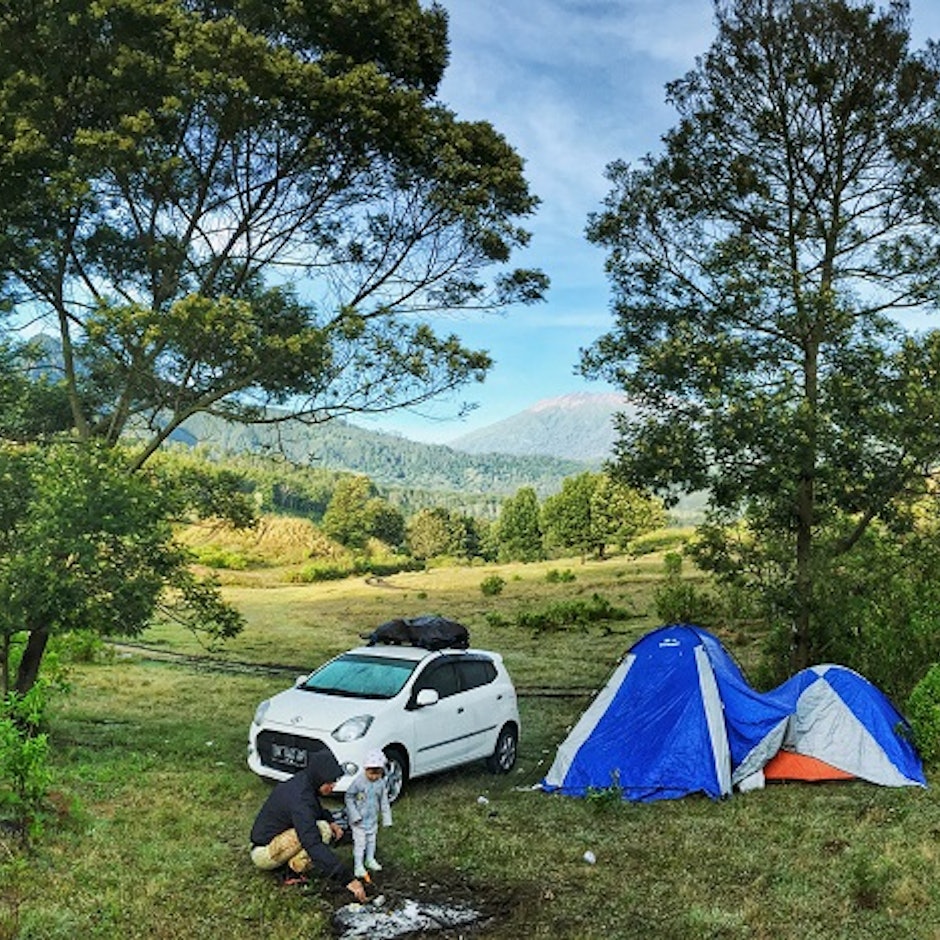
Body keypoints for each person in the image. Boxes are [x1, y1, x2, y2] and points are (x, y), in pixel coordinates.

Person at [249, 751, 367, 902]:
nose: (333, 786)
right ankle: (290, 872)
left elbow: (315, 809)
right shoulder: (300, 800)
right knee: (320, 832)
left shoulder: (303, 783)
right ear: (319, 778)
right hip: (263, 853)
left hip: (276, 841)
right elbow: (312, 843)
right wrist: (348, 879)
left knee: (323, 826)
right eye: (330, 782)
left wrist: (331, 821)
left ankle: (290, 866)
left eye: (335, 781)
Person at [344, 749, 392, 880]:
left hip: (372, 818)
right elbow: (349, 797)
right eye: (371, 773)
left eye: (377, 774)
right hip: (359, 820)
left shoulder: (381, 784)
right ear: (365, 769)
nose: (374, 777)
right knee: (360, 843)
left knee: (371, 840)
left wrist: (386, 818)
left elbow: (384, 801)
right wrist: (354, 815)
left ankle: (369, 859)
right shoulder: (359, 782)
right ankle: (358, 865)